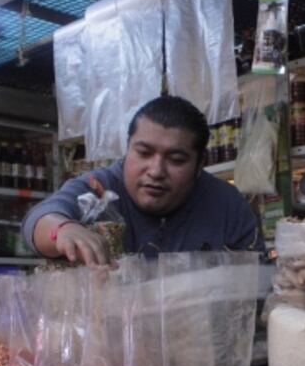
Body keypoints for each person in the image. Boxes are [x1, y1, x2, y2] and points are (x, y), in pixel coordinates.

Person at [21, 95, 262, 266]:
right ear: (127, 149)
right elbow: (39, 219)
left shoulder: (227, 206)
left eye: (176, 159)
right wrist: (63, 229)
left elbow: (256, 285)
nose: (156, 171)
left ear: (199, 165)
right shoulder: (99, 187)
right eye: (144, 153)